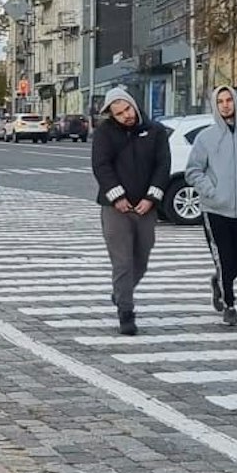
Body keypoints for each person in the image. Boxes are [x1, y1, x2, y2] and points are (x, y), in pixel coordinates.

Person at [90, 84, 169, 336]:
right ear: (111, 115)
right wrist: (117, 197)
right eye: (119, 113)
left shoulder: (155, 131)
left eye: (127, 109)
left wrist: (151, 198)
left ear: (134, 104)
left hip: (146, 207)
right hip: (116, 209)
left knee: (141, 260)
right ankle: (126, 312)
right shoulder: (105, 134)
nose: (126, 115)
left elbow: (163, 166)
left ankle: (119, 293)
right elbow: (101, 166)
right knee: (122, 262)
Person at [185, 85, 237, 327]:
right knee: (225, 258)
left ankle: (218, 282)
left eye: (229, 100)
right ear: (215, 105)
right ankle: (230, 304)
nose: (226, 105)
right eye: (221, 101)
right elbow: (193, 171)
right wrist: (212, 191)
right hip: (215, 208)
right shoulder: (206, 138)